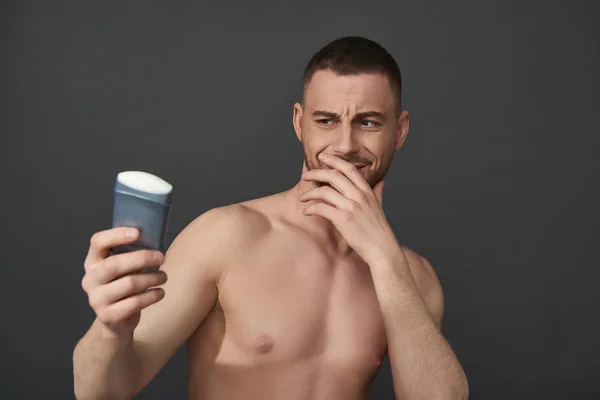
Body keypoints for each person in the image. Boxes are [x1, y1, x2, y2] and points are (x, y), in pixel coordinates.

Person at [73, 36, 469, 400]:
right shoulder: (227, 236)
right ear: (300, 123)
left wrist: (385, 262)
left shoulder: (413, 276)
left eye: (368, 122)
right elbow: (101, 391)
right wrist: (111, 331)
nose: (345, 145)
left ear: (399, 131)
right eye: (326, 120)